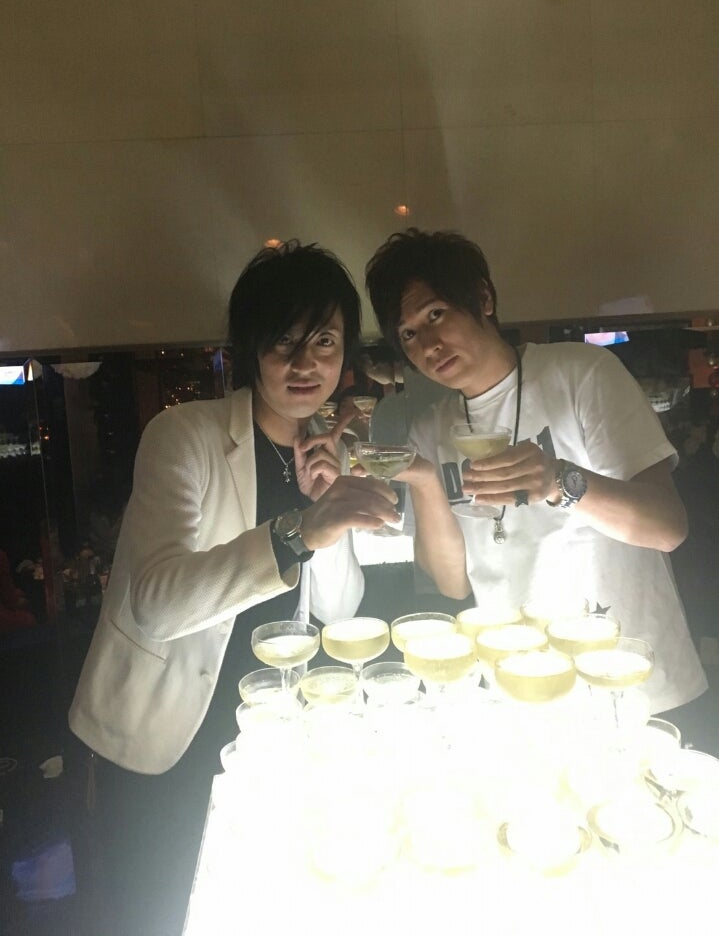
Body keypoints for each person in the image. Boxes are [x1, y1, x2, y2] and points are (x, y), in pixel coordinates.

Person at [68, 240, 399, 935]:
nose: (305, 363)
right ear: (250, 348)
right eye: (284, 342)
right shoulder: (183, 436)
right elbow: (156, 605)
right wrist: (299, 530)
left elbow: (337, 609)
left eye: (324, 341)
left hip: (268, 732)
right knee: (155, 913)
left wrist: (326, 508)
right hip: (168, 735)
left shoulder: (330, 452)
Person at [365, 228, 707, 714]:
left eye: (436, 314)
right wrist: (421, 479)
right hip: (519, 687)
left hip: (626, 681)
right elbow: (453, 584)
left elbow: (667, 527)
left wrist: (559, 481)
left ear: (483, 298)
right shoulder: (430, 430)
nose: (429, 345)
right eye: (409, 334)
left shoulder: (582, 374)